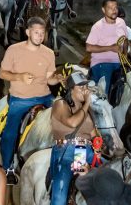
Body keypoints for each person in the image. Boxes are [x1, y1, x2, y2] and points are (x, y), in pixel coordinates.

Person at [0, 17, 63, 182]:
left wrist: (59, 79)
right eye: (36, 32)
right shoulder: (13, 50)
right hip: (21, 99)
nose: (40, 36)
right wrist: (19, 76)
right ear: (28, 32)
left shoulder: (48, 53)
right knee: (10, 133)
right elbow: (2, 73)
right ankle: (7, 168)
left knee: (65, 122)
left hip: (45, 96)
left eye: (42, 33)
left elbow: (50, 79)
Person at [49, 72, 99, 205]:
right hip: (67, 151)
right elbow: (72, 123)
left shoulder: (87, 111)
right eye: (81, 87)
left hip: (87, 151)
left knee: (114, 176)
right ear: (71, 89)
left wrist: (99, 145)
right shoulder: (60, 104)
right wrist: (87, 103)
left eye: (86, 86)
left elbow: (94, 135)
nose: (85, 90)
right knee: (60, 194)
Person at [86, 0, 129, 98]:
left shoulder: (121, 22)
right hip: (102, 63)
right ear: (103, 10)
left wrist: (125, 55)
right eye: (110, 8)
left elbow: (125, 40)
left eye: (115, 8)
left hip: (119, 62)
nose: (114, 10)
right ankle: (103, 106)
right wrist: (110, 48)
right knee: (104, 92)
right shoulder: (97, 26)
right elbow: (88, 47)